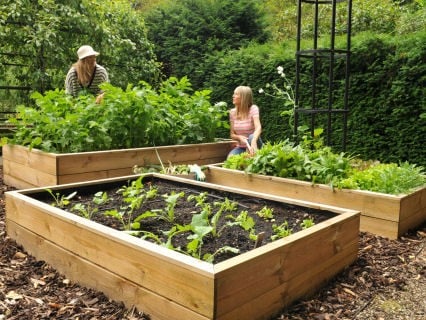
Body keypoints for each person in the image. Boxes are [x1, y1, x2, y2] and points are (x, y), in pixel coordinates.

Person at [228, 85, 263, 158]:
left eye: (236, 94)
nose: (233, 96)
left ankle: (255, 158)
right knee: (230, 159)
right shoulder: (232, 112)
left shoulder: (253, 109)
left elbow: (258, 127)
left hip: (255, 144)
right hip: (241, 147)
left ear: (243, 98)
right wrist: (239, 138)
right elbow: (232, 135)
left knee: (251, 136)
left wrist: (253, 141)